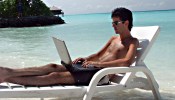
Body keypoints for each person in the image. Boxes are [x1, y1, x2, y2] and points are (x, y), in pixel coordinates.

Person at [0, 7, 139, 86]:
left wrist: (98, 64)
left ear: (126, 23)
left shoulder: (132, 42)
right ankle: (8, 71)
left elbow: (126, 61)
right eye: (112, 22)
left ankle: (6, 78)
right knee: (52, 66)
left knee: (55, 76)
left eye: (116, 23)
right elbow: (97, 54)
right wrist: (84, 59)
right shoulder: (113, 39)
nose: (113, 25)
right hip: (90, 68)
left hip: (99, 75)